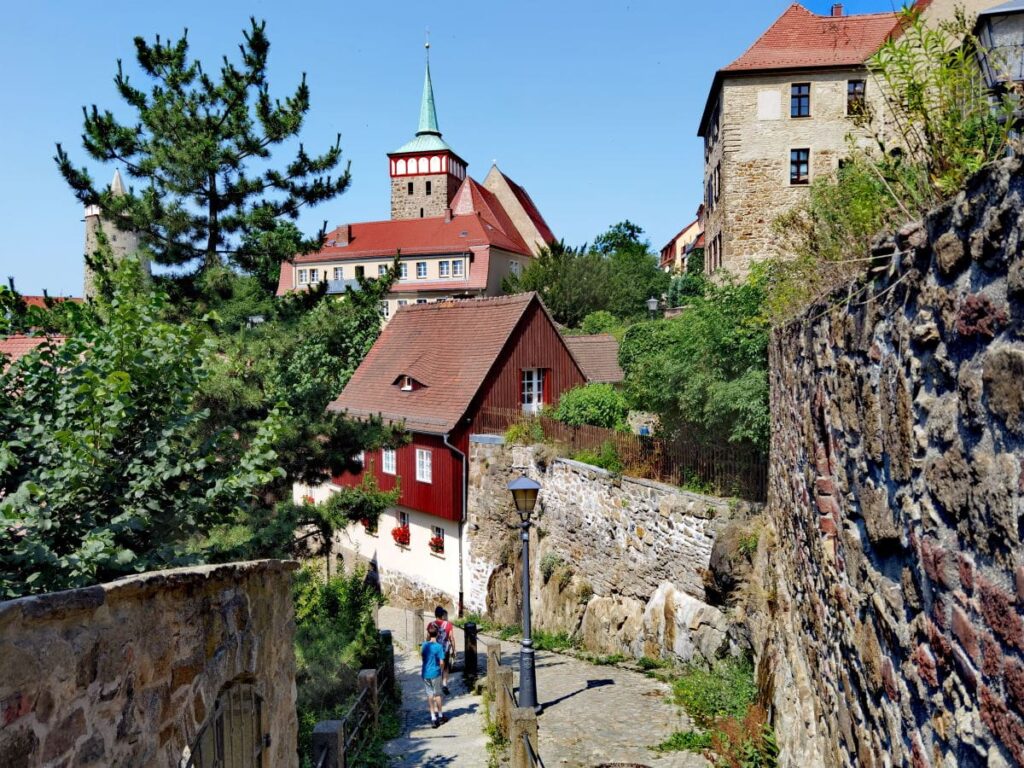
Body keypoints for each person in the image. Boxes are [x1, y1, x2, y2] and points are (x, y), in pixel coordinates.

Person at [421, 623, 447, 728]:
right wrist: (440, 669)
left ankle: (433, 717)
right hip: (435, 673)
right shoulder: (439, 647)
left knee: (430, 695)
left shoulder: (424, 645)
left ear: (428, 633)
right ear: (437, 634)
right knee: (437, 694)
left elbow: (423, 658)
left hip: (426, 673)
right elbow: (441, 662)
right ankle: (440, 715)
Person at [429, 606, 455, 696]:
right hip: (445, 649)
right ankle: (444, 684)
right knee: (446, 667)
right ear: (442, 615)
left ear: (435, 614)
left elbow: (428, 637)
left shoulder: (431, 624)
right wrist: (454, 650)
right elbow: (451, 638)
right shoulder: (448, 624)